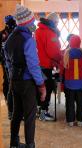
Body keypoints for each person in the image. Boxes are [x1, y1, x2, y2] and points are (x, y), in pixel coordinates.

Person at [4, 4, 46, 148]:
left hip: (15, 82)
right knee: (29, 115)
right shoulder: (28, 39)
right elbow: (33, 66)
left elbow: (8, 62)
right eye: (32, 22)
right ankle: (30, 145)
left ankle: (14, 143)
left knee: (16, 113)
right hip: (28, 83)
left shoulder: (9, 39)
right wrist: (41, 85)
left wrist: (12, 76)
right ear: (27, 22)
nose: (34, 23)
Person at [35, 12, 62, 121]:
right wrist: (60, 58)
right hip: (46, 65)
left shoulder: (38, 31)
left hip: (36, 65)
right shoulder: (50, 33)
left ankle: (38, 111)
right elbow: (53, 52)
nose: (58, 24)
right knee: (48, 88)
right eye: (57, 22)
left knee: (39, 89)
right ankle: (43, 113)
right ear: (54, 22)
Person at [60, 35, 82, 127]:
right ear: (79, 43)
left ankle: (70, 121)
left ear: (70, 43)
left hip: (69, 83)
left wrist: (62, 82)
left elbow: (62, 70)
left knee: (69, 102)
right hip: (81, 83)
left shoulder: (66, 54)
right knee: (81, 101)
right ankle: (81, 120)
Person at [0, 15, 16, 120]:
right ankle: (11, 109)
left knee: (9, 83)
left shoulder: (14, 32)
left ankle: (11, 107)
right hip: (8, 62)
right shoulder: (5, 33)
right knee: (10, 84)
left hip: (10, 62)